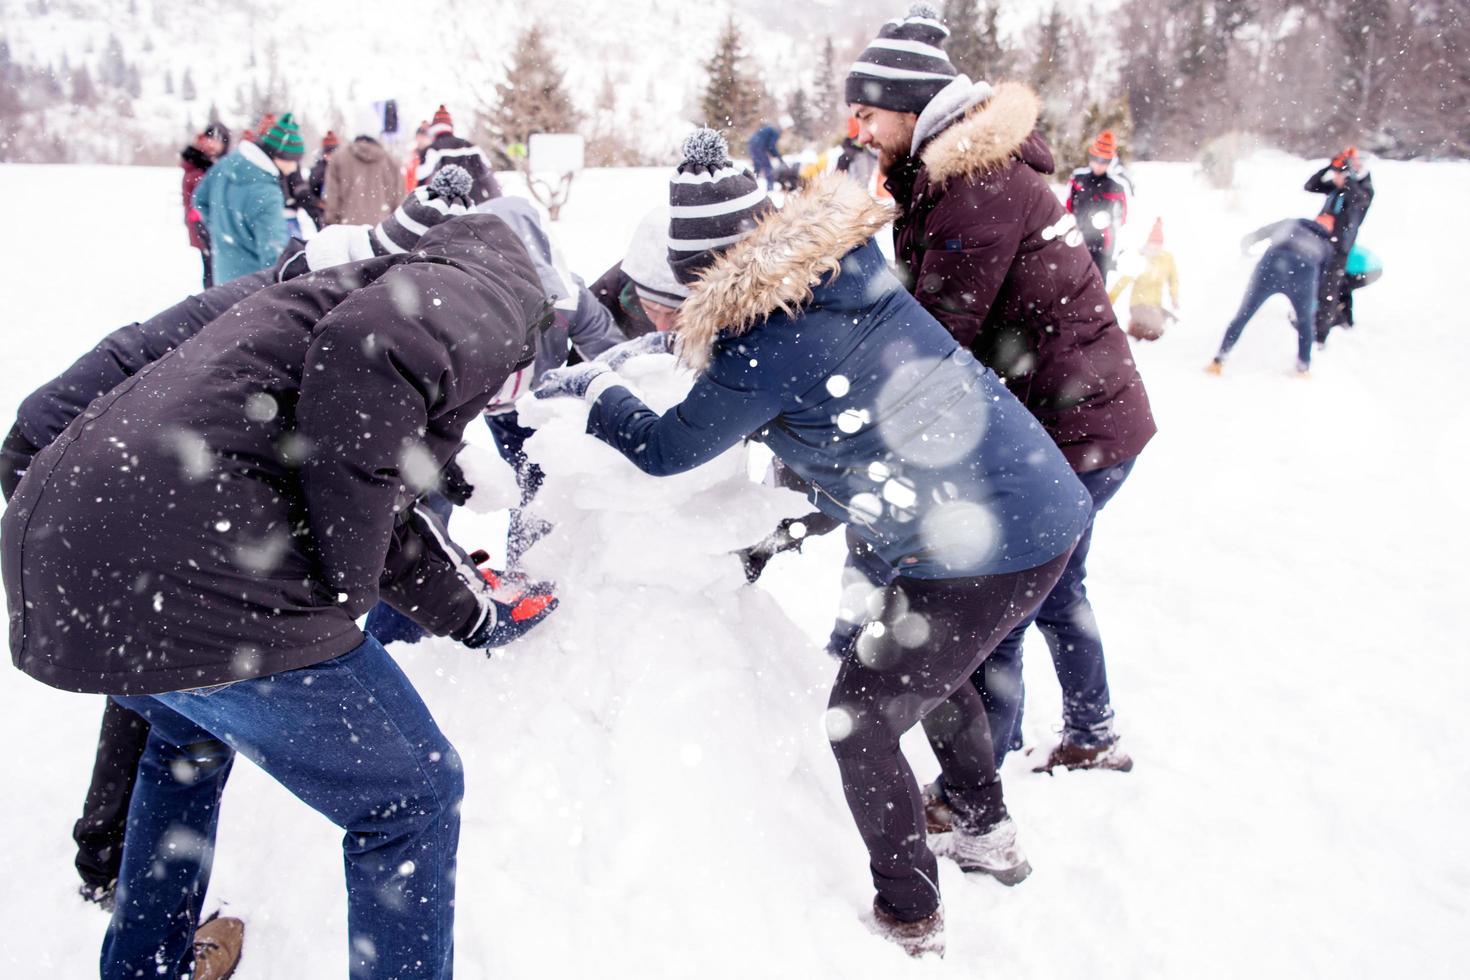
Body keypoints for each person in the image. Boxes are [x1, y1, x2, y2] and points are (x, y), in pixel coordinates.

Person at [533, 132, 1090, 957]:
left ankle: (911, 916)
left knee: (859, 721)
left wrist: (599, 386)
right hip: (1021, 509)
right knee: (932, 670)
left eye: (663, 304)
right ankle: (980, 826)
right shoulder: (834, 279)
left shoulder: (766, 339)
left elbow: (665, 450)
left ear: (701, 280)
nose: (657, 319)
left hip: (983, 540)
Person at [2, 211, 560, 980]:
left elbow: (361, 489)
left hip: (78, 551)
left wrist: (475, 615)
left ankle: (147, 968)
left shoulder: (325, 307)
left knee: (182, 742)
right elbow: (373, 362)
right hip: (193, 567)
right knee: (412, 795)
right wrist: (346, 588)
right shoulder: (497, 294)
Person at [846, 5, 1155, 773]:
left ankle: (984, 773)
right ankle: (1092, 731)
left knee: (1003, 605)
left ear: (913, 112)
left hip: (1075, 426)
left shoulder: (974, 186)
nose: (858, 130)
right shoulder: (943, 175)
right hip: (1077, 418)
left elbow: (937, 331)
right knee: (1054, 589)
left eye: (868, 113)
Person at [1207, 214, 1336, 376]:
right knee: (1305, 323)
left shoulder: (1293, 223)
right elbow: (1323, 278)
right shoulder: (1325, 244)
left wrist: (1249, 241)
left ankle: (1219, 359)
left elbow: (1262, 233)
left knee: (1245, 313)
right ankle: (1303, 367)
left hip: (1273, 263)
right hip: (1303, 272)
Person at [192, 112, 300, 283]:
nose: (294, 168)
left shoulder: (228, 162)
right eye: (293, 160)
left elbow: (199, 199)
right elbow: (274, 256)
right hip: (253, 287)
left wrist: (223, 231)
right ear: (279, 156)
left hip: (223, 276)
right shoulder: (268, 193)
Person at [1304, 146, 1375, 342]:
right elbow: (1310, 185)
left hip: (1339, 248)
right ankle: (1343, 319)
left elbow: (1358, 198)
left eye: (1338, 175)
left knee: (1329, 290)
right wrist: (1330, 166)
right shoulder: (1338, 189)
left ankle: (1320, 336)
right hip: (1323, 244)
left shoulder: (1363, 190)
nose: (1335, 178)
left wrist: (1348, 176)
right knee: (1330, 286)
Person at [589, 206, 690, 338]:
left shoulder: (722, 306)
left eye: (677, 313)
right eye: (651, 310)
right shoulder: (604, 298)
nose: (662, 328)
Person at [1068, 129, 1131, 278]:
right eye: (1096, 158)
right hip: (1078, 237)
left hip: (1103, 243)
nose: (1099, 164)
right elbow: (1068, 204)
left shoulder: (1116, 186)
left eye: (1104, 161)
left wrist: (1113, 228)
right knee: (1073, 278)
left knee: (1098, 280)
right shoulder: (1078, 179)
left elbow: (1123, 216)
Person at [1109, 217, 1180, 341]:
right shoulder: (1140, 259)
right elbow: (1123, 281)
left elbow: (1173, 280)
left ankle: (1137, 330)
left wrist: (1174, 298)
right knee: (1154, 328)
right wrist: (1110, 299)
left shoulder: (1166, 259)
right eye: (1152, 244)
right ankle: (1134, 331)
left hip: (1155, 305)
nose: (1154, 248)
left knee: (1173, 324)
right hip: (1138, 304)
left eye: (1157, 244)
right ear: (1148, 242)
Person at [416, 104, 501, 204]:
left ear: (434, 130)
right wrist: (497, 198)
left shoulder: (433, 150)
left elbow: (421, 176)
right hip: (476, 205)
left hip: (447, 208)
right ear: (450, 127)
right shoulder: (471, 147)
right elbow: (488, 175)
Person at [179, 122, 230, 288]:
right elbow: (197, 195)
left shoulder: (222, 164)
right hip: (203, 223)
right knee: (211, 269)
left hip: (217, 223)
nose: (213, 144)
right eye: (211, 139)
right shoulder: (199, 163)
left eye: (218, 140)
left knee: (219, 269)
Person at [322, 134, 403, 225]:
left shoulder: (338, 158)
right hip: (381, 229)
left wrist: (332, 223)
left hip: (348, 228)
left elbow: (332, 199)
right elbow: (399, 202)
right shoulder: (391, 161)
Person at [747, 119, 785, 191]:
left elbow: (768, 145)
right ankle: (770, 189)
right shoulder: (775, 132)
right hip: (758, 147)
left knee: (757, 168)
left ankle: (751, 187)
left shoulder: (768, 129)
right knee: (768, 167)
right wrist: (779, 157)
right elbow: (771, 146)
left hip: (751, 145)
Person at [309, 130, 339, 202]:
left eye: (333, 152)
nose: (330, 156)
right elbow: (312, 189)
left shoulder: (342, 168)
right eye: (328, 152)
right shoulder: (318, 169)